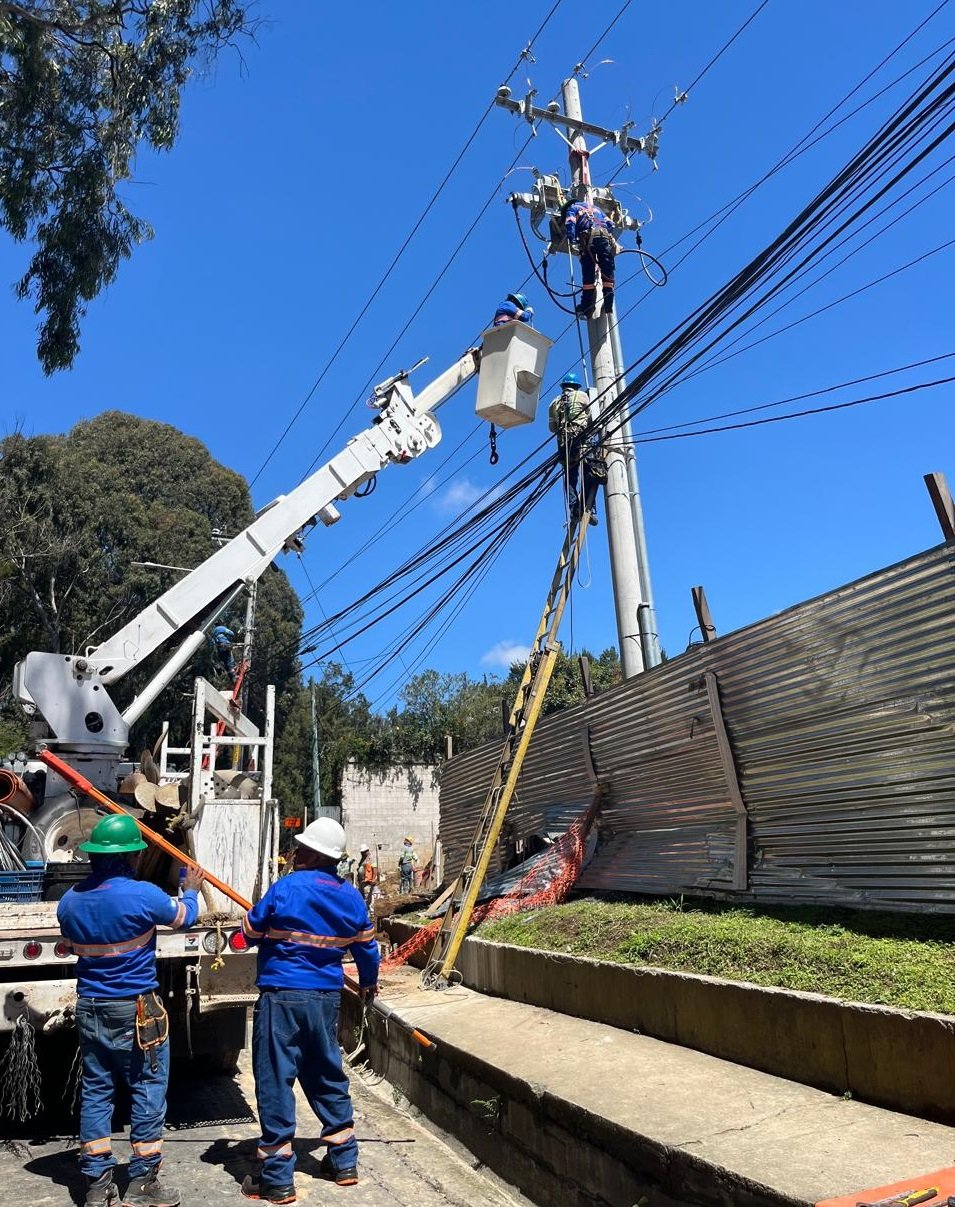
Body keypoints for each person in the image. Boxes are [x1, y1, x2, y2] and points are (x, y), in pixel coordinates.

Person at [57, 815, 206, 1207]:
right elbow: (185, 918)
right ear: (131, 858)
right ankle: (142, 1183)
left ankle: (96, 1185)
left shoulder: (69, 901)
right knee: (147, 1087)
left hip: (90, 1006)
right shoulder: (142, 895)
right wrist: (190, 890)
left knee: (96, 1090)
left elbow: (72, 945)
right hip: (137, 1009)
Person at [240, 816, 379, 1199]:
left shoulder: (286, 887)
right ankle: (343, 1160)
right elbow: (367, 948)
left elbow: (249, 933)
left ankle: (277, 1178)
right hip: (324, 999)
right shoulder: (351, 896)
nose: (295, 852)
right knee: (325, 1072)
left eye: (302, 848)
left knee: (275, 1078)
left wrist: (247, 931)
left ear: (317, 856)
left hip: (282, 996)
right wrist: (369, 982)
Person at [548, 372, 601, 527]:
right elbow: (591, 416)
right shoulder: (582, 396)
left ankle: (574, 509)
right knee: (590, 471)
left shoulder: (554, 403)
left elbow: (552, 428)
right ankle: (589, 508)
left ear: (563, 387)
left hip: (565, 446)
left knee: (571, 478)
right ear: (576, 386)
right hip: (582, 440)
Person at [563, 199, 617, 316]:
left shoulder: (572, 209)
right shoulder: (597, 209)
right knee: (607, 271)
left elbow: (570, 223)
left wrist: (572, 240)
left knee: (588, 276)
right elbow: (610, 224)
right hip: (604, 239)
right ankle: (608, 302)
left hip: (588, 241)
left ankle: (586, 307)